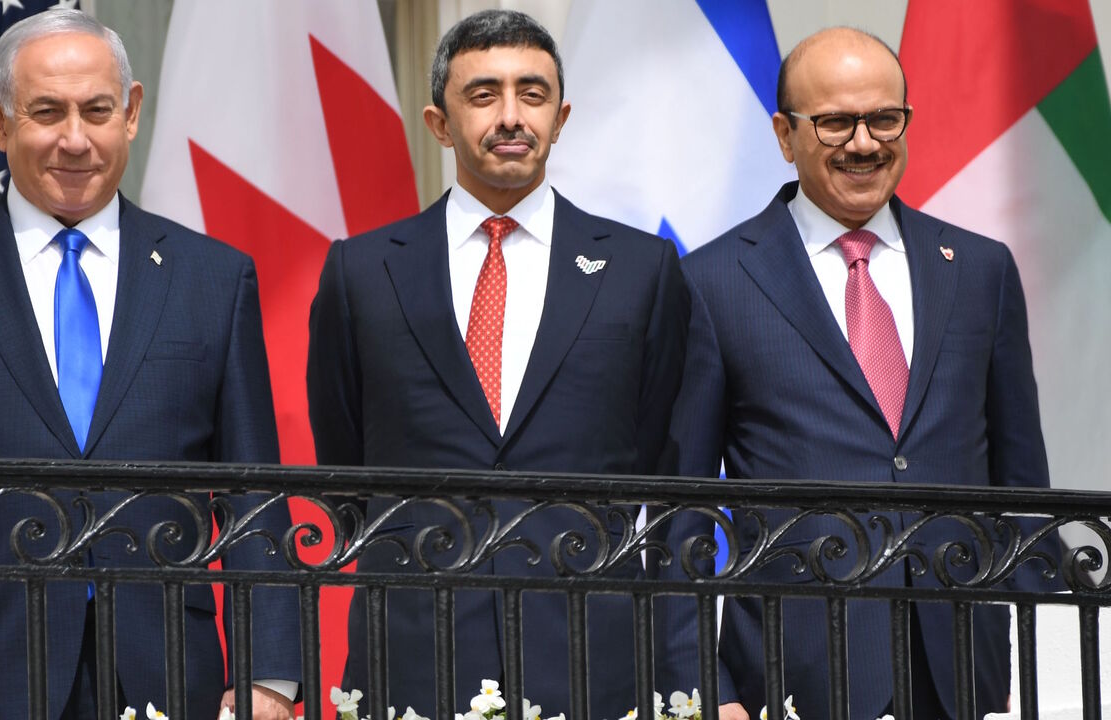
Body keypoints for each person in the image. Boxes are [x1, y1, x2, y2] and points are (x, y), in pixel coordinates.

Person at [0, 9, 298, 720]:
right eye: (47, 112)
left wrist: (271, 675)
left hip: (168, 671)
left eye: (97, 110)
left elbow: (254, 494)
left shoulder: (213, 279)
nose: (75, 140)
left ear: (132, 113)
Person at [658, 27, 1053, 720]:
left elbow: (1021, 487)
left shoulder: (981, 271)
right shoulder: (711, 283)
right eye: (836, 122)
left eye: (883, 118)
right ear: (785, 135)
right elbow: (677, 513)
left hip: (960, 673)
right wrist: (705, 687)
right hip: (792, 674)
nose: (864, 143)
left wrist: (1009, 642)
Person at [306, 9, 686, 718]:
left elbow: (663, 459)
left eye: (532, 94)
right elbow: (345, 464)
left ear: (561, 114)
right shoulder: (360, 272)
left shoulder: (643, 270)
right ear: (440, 122)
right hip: (415, 639)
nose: (511, 116)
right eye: (483, 95)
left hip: (589, 644)